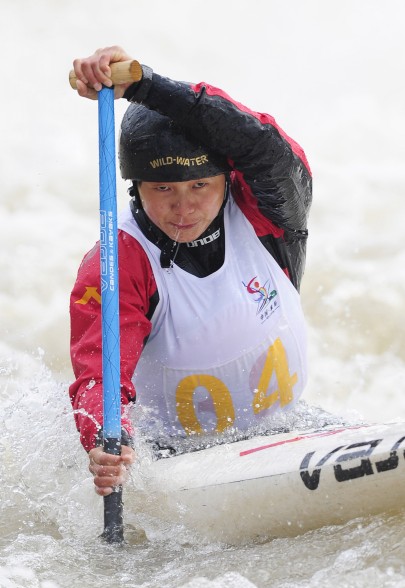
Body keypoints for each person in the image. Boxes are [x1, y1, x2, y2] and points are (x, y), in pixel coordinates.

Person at [69, 46, 312, 497]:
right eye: (162, 188)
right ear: (136, 189)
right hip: (177, 465)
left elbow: (260, 142)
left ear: (226, 178)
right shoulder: (119, 259)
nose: (184, 207)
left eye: (200, 185)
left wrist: (145, 86)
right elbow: (99, 376)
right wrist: (106, 443)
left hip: (291, 434)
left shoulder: (269, 212)